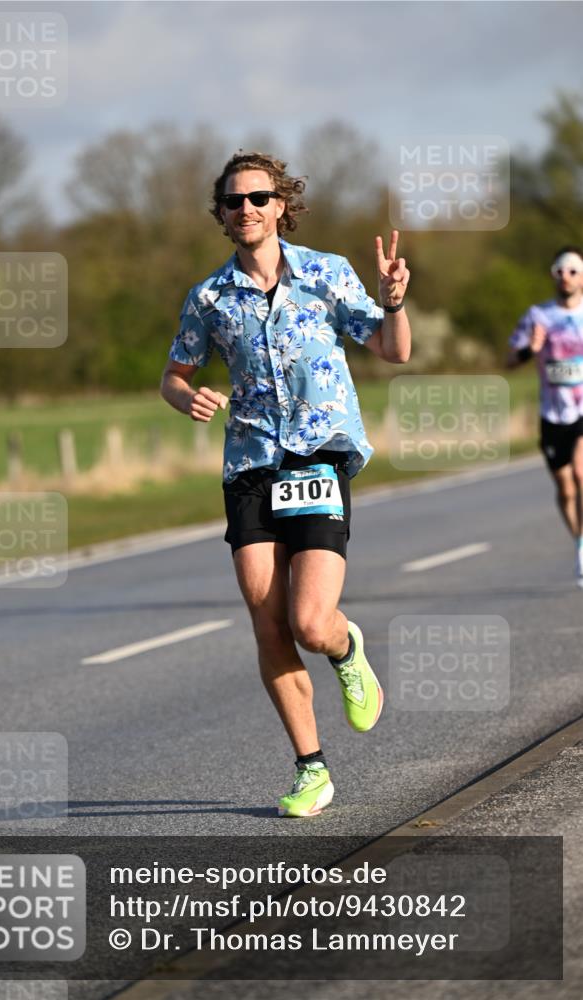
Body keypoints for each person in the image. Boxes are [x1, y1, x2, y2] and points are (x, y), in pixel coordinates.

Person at [161, 151, 411, 816]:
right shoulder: (209, 297)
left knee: (308, 621)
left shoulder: (327, 274)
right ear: (219, 212)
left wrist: (393, 303)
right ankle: (310, 769)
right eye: (232, 200)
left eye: (258, 198)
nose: (245, 208)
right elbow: (174, 372)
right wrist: (182, 396)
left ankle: (345, 644)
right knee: (267, 621)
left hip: (316, 460)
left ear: (281, 205)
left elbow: (392, 348)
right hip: (248, 465)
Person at [507, 246, 583, 587]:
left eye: (573, 270)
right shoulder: (538, 316)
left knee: (581, 473)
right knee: (566, 490)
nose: (566, 277)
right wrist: (529, 350)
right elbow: (509, 360)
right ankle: (580, 542)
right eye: (560, 271)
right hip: (552, 414)